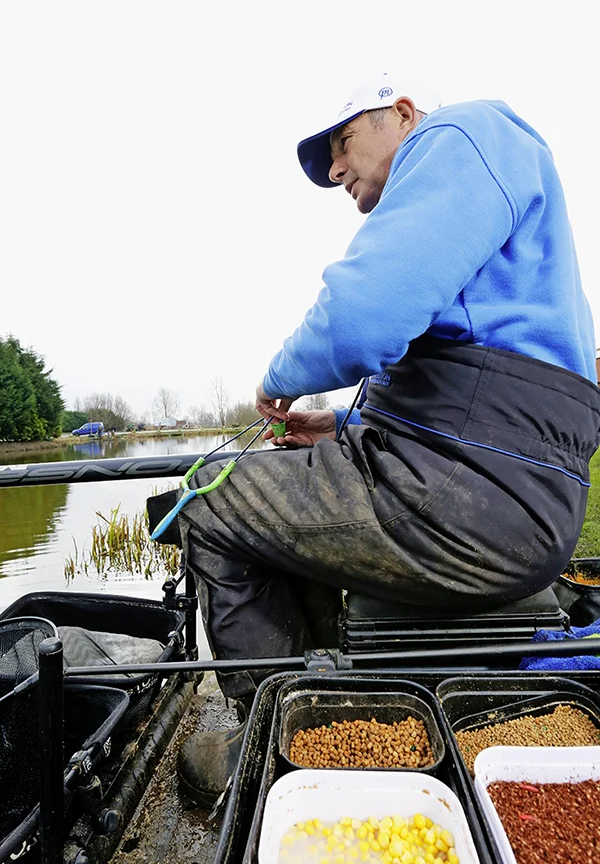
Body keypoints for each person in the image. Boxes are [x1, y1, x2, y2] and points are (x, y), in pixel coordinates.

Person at [173, 71, 600, 804]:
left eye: (343, 143)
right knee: (282, 499)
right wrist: (339, 425)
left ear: (401, 114)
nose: (336, 170)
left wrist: (280, 377)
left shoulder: (462, 135)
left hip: (478, 496)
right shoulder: (472, 188)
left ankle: (263, 750)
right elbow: (469, 393)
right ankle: (328, 704)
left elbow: (361, 319)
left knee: (204, 505)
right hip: (484, 477)